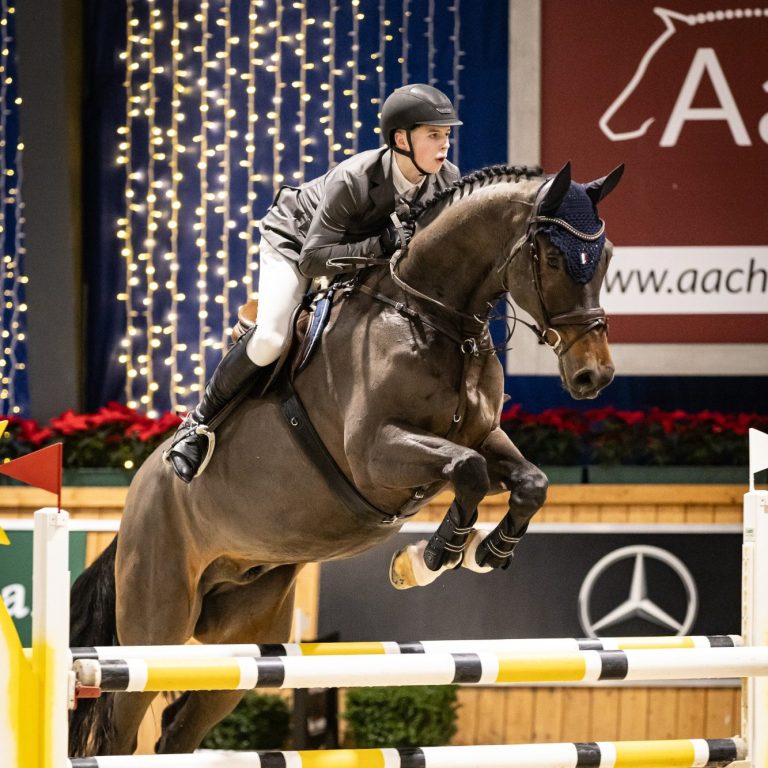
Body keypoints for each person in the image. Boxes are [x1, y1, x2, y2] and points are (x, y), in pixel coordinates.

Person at [166, 84, 462, 482]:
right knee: (272, 337)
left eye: (446, 135)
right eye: (433, 135)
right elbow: (313, 259)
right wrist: (383, 244)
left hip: (356, 258)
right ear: (400, 139)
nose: (444, 146)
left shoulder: (447, 179)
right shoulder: (355, 178)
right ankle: (197, 426)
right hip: (295, 241)